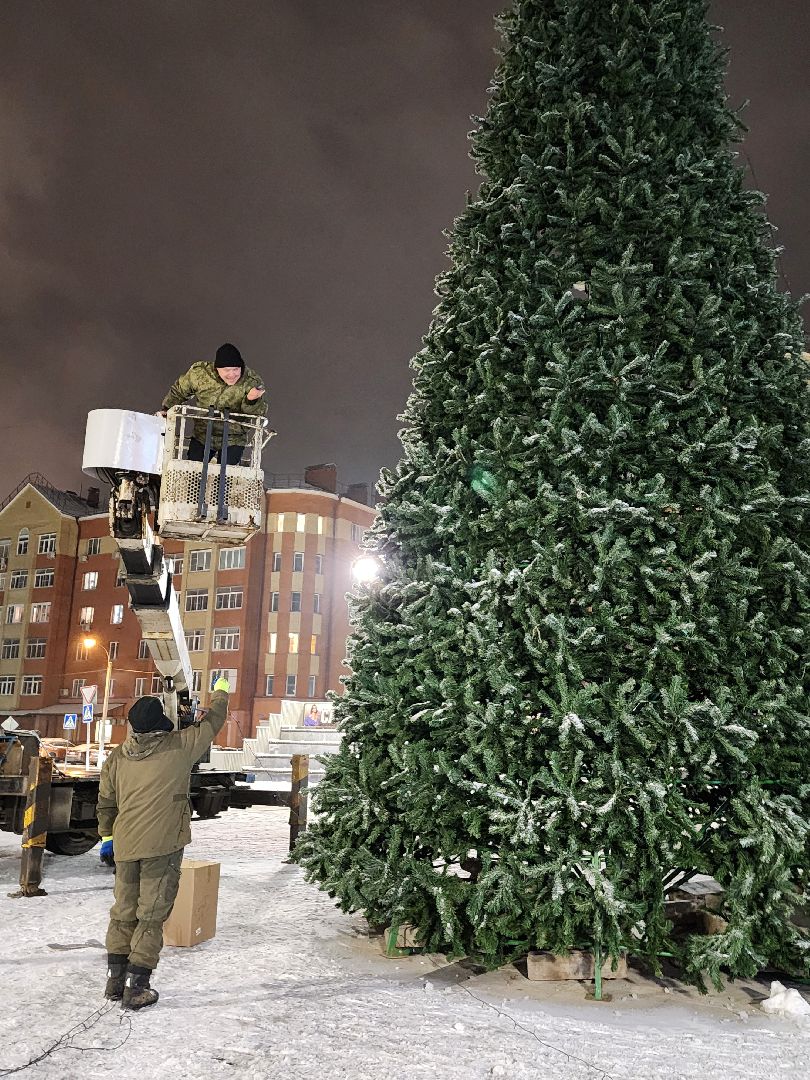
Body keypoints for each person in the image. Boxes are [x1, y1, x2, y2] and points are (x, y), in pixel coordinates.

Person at [96, 678, 231, 1010]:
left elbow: (106, 803)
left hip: (125, 846)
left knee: (123, 910)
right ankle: (136, 985)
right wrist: (221, 693)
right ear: (160, 723)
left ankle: (114, 981)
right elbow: (213, 722)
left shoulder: (117, 757)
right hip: (162, 848)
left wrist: (107, 837)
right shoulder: (179, 747)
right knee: (151, 915)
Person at [161, 343, 267, 465]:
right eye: (227, 370)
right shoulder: (200, 374)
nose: (232, 374)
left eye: (236, 369)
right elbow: (180, 390)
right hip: (203, 434)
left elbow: (259, 412)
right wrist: (167, 408)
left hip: (233, 437)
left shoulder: (251, 381)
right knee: (194, 471)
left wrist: (251, 400)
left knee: (226, 475)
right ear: (217, 368)